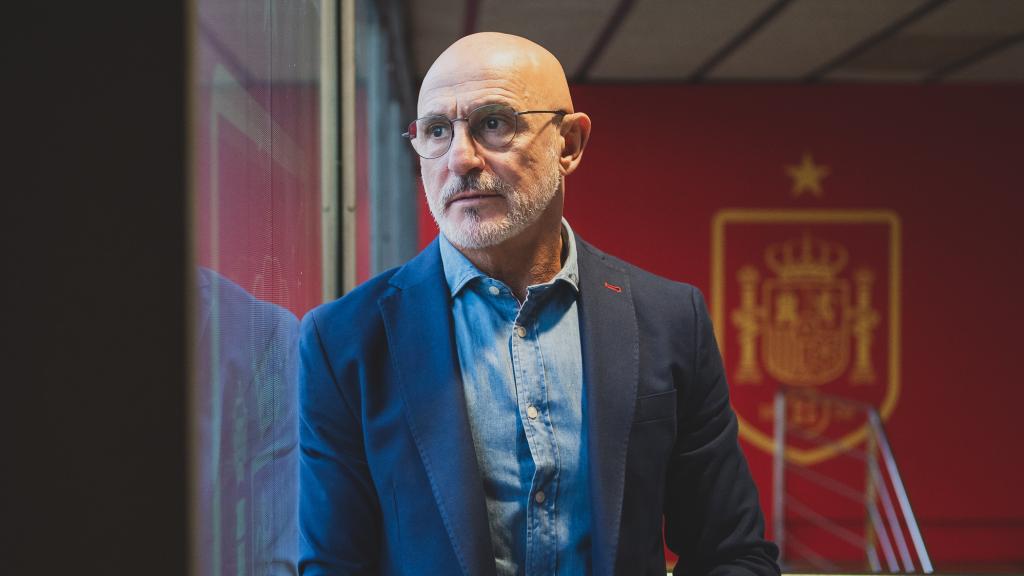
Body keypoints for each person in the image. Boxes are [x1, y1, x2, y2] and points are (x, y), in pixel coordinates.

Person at [298, 32, 779, 576]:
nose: (460, 158)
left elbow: (732, 553)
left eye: (493, 123)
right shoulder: (342, 342)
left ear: (569, 144)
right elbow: (333, 565)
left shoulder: (669, 320)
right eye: (436, 130)